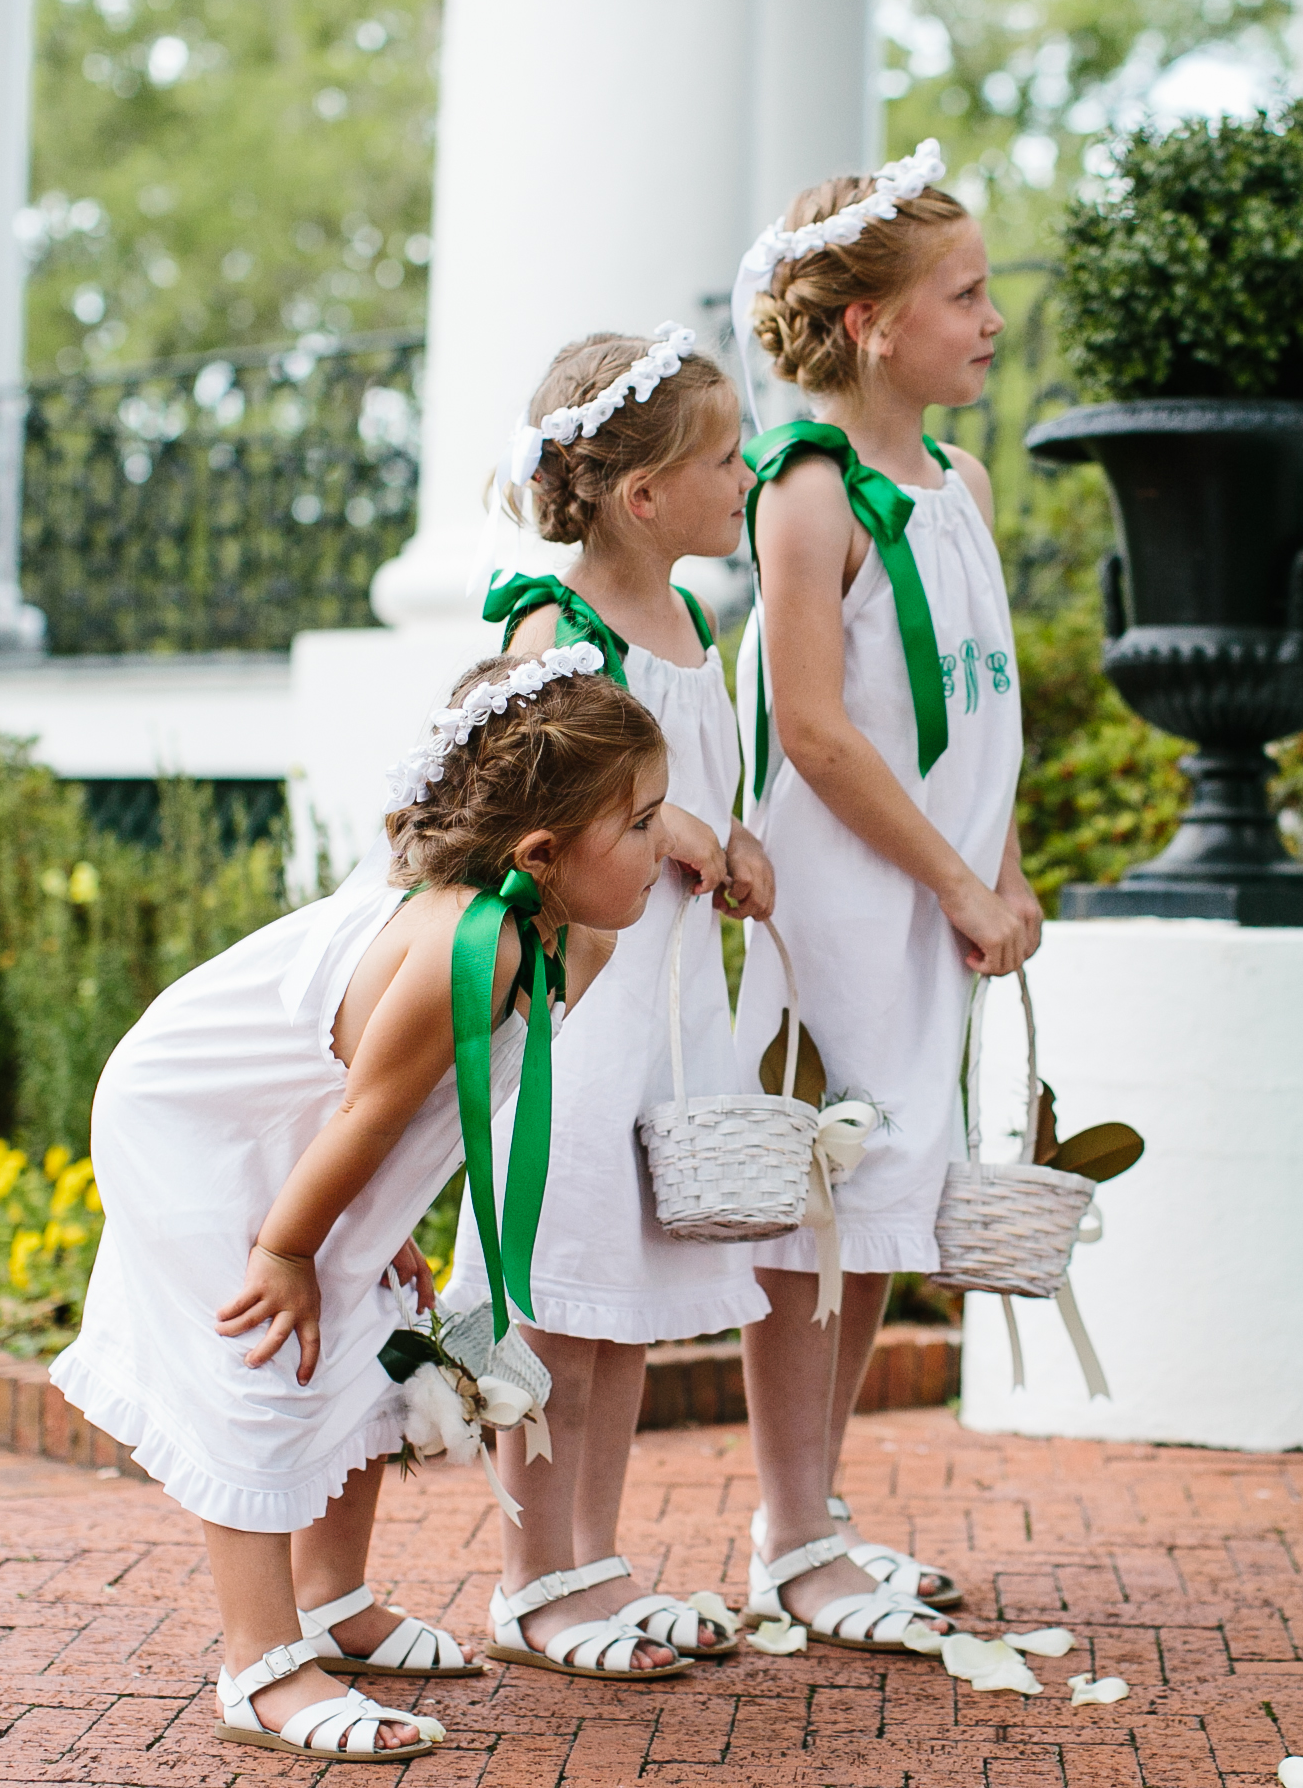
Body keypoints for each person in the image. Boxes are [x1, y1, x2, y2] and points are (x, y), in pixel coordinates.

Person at [50, 653, 669, 1757]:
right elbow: (367, 1117)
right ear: (541, 854)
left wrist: (380, 1236)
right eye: (641, 824)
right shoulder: (463, 953)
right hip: (199, 1123)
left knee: (370, 1337)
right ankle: (259, 1663)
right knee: (270, 1363)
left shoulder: (565, 934)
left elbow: (405, 1116)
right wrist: (291, 1250)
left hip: (297, 1121)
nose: (664, 843)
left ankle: (332, 1599)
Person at [728, 141, 1034, 1648]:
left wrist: (1007, 870)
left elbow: (986, 708)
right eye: (965, 295)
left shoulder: (961, 479)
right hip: (848, 905)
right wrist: (951, 884)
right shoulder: (804, 490)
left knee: (891, 1202)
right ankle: (789, 1532)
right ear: (870, 325)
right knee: (822, 1221)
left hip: (937, 901)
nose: (991, 319)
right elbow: (814, 730)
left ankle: (819, 1512)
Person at [450, 325, 774, 1676]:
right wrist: (682, 822)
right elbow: (526, 801)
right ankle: (531, 1579)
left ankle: (594, 1559)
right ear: (643, 496)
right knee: (557, 1290)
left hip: (672, 1010)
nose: (749, 478)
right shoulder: (554, 627)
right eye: (726, 459)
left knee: (626, 1297)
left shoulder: (695, 620)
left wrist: (736, 836)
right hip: (579, 1010)